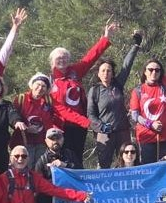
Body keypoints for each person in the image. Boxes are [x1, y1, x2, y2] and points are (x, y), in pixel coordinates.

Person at [50, 21, 118, 164]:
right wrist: (87, 122)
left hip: (80, 127)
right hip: (63, 127)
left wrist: (105, 38)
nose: (62, 60)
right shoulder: (51, 82)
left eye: (64, 57)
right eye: (58, 58)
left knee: (77, 159)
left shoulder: (74, 72)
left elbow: (90, 58)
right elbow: (62, 110)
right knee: (65, 159)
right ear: (52, 62)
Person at [88, 30, 142, 168]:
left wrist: (135, 46)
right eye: (103, 71)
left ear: (112, 73)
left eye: (109, 70)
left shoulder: (117, 85)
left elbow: (126, 66)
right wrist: (101, 126)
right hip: (104, 134)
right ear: (98, 74)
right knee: (104, 165)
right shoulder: (94, 90)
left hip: (122, 132)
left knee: (126, 163)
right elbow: (91, 114)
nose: (106, 73)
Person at [129, 27, 166, 164]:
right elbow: (134, 115)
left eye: (157, 70)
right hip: (146, 137)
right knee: (148, 171)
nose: (154, 72)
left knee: (165, 171)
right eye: (150, 69)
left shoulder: (165, 85)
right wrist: (150, 124)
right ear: (145, 72)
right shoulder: (138, 91)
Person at [11, 72, 57, 161]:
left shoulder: (49, 101)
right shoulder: (21, 99)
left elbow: (53, 119)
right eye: (38, 84)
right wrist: (26, 128)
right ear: (32, 85)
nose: (40, 88)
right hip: (23, 142)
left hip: (42, 143)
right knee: (25, 168)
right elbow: (13, 119)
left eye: (43, 86)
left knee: (39, 170)